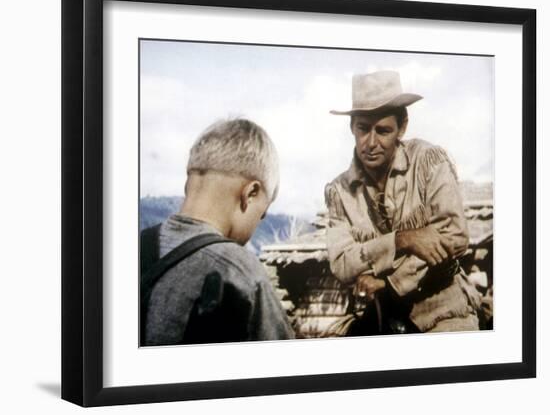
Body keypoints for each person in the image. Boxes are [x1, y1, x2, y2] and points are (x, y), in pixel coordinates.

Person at [325, 71, 481, 334]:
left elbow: (453, 237)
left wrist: (388, 282)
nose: (371, 143)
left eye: (383, 130)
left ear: (402, 126)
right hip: (379, 317)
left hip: (443, 312)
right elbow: (341, 262)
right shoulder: (339, 191)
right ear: (352, 127)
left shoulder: (429, 162)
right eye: (363, 129)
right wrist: (400, 239)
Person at [141, 118, 294, 346]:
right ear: (250, 193)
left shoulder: (130, 248)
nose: (257, 224)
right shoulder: (240, 272)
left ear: (188, 186)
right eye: (262, 213)